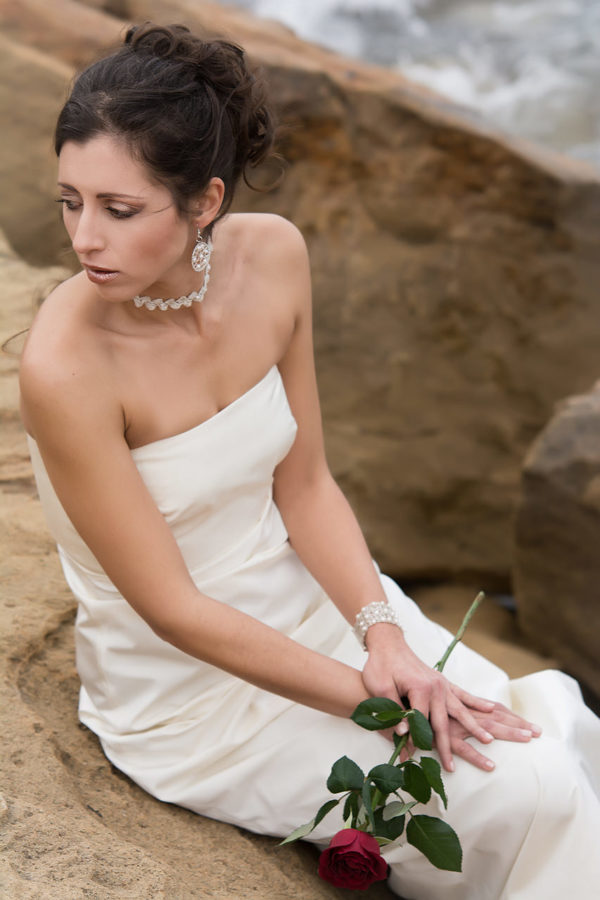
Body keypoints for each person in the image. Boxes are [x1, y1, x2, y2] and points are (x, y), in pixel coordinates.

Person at [19, 22, 600, 899]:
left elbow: (306, 481)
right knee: (530, 794)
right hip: (189, 690)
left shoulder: (276, 258)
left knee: (546, 739)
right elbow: (173, 609)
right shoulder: (66, 367)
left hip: (312, 603)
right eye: (71, 201)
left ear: (205, 202)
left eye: (119, 209)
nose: (84, 239)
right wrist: (376, 704)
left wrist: (387, 639)